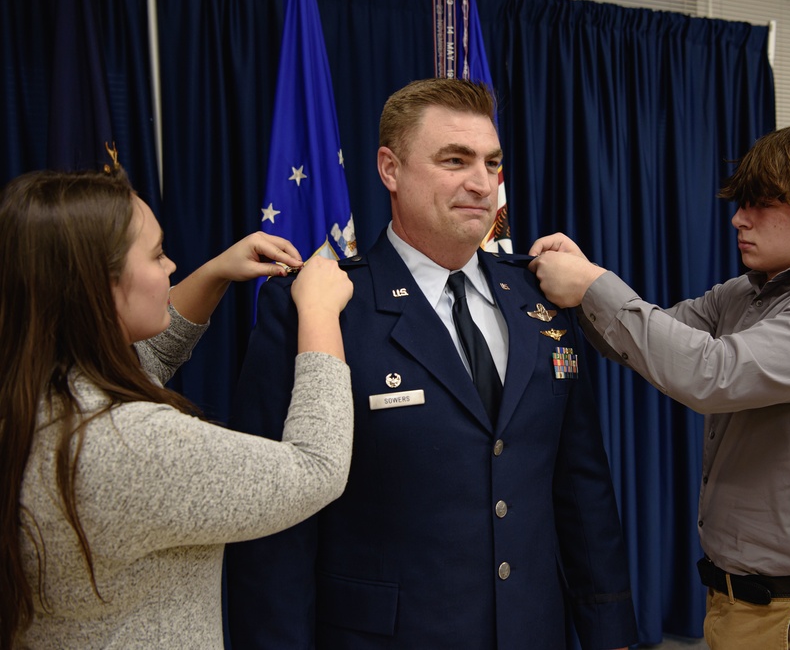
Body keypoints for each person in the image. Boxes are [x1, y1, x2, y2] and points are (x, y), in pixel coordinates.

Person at [225, 78, 637, 650]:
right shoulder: (321, 305)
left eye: (492, 163)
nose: (482, 183)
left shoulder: (541, 296)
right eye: (454, 160)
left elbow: (581, 484)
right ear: (390, 169)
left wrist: (609, 631)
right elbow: (274, 521)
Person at [529, 123, 790, 649]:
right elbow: (637, 343)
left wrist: (592, 283)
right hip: (738, 603)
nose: (738, 218)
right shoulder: (745, 294)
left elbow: (710, 375)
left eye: (761, 205)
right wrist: (583, 283)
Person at [0, 168, 355, 650]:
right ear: (99, 287)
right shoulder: (128, 445)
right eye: (157, 255)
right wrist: (318, 313)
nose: (171, 267)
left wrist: (214, 273)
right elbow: (317, 469)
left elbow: (143, 361)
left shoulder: (35, 388)